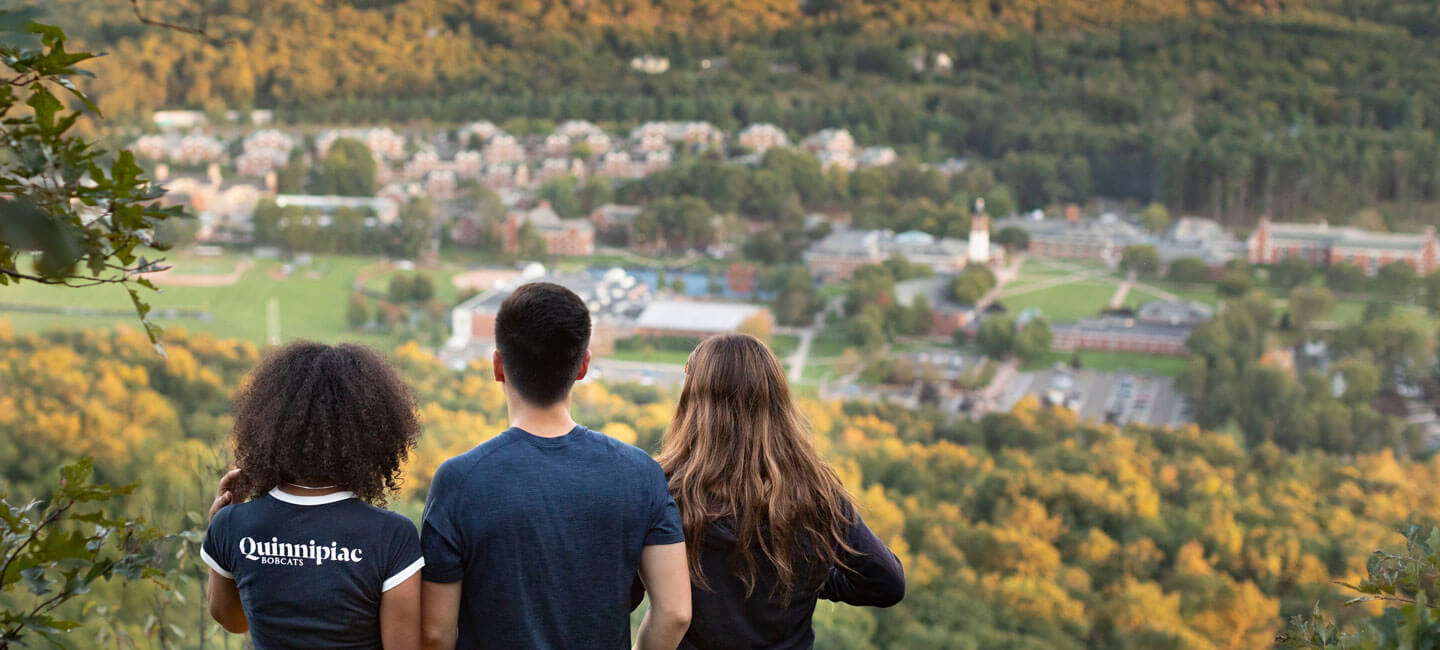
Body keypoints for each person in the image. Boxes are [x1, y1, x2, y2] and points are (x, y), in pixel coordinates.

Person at [420, 281, 691, 649]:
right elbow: (675, 613)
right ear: (583, 366)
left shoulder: (458, 481)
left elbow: (435, 633)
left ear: (498, 366)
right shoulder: (640, 473)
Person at [639, 334, 905, 649]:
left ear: (692, 402)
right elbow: (886, 583)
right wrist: (811, 579)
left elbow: (621, 592)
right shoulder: (813, 491)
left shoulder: (660, 486)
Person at [202, 342, 424, 649]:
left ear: (269, 425)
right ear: (374, 434)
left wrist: (221, 523)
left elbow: (232, 620)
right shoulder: (392, 536)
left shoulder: (232, 524)